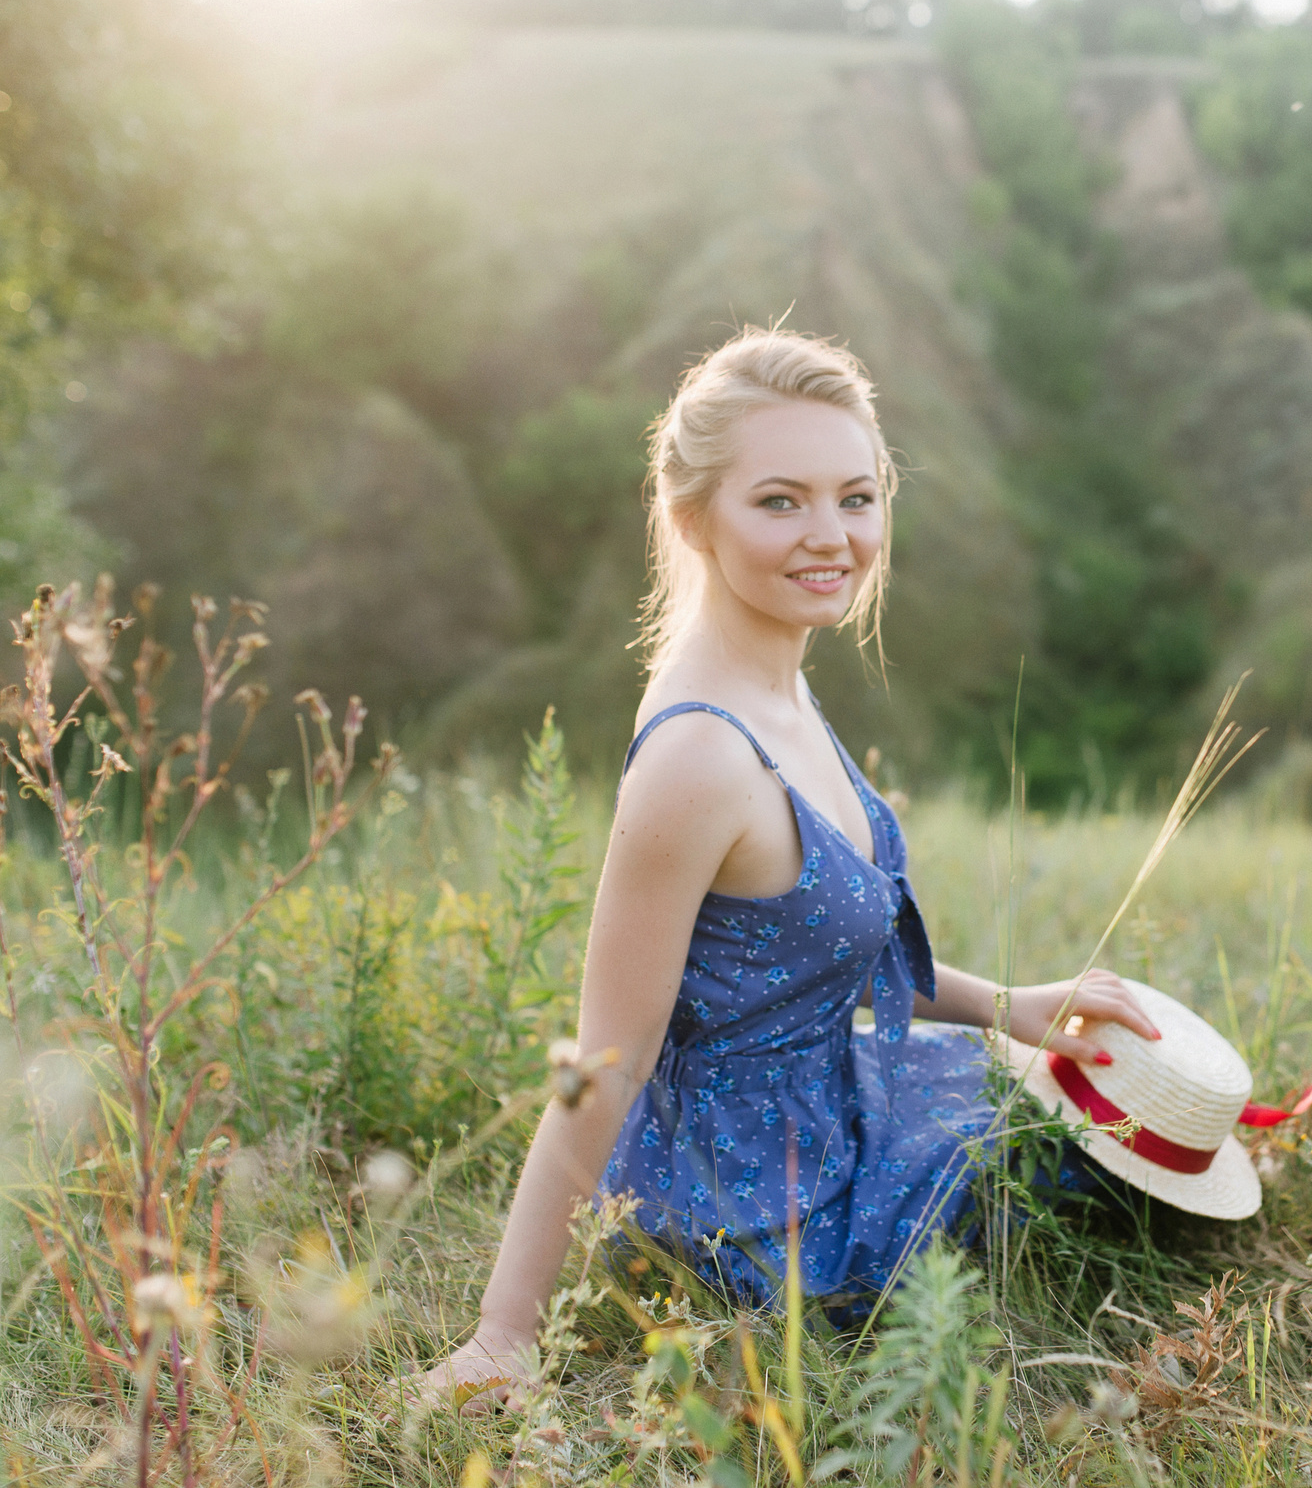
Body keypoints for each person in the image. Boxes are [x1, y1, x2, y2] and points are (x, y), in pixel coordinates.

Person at [422, 328, 1161, 1404]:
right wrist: (504, 1332)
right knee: (1072, 1152)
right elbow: (606, 1062)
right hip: (761, 1206)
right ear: (693, 518)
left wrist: (1007, 1004)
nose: (832, 536)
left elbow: (802, 958)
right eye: (780, 501)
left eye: (856, 498)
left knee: (1065, 1087)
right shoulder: (699, 756)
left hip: (826, 1097)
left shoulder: (779, 680)